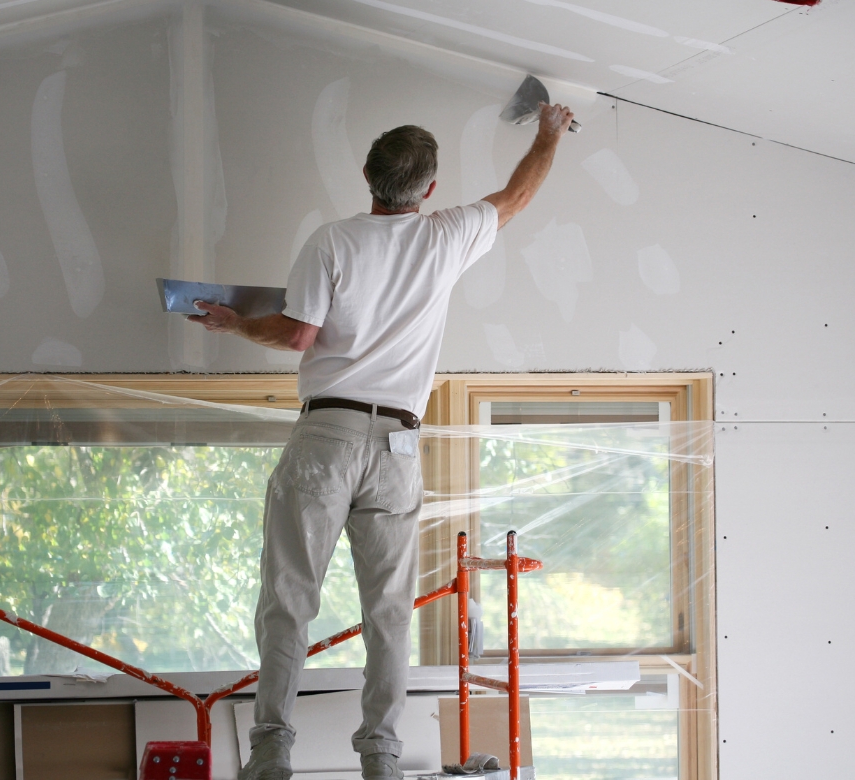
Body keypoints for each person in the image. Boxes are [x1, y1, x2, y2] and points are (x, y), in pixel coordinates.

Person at [187, 102, 574, 780]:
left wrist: (235, 321)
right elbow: (517, 195)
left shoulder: (331, 241)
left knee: (289, 599)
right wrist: (549, 131)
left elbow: (297, 335)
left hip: (327, 436)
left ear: (366, 174)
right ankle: (382, 761)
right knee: (388, 613)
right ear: (428, 190)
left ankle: (272, 753)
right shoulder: (447, 235)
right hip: (398, 444)